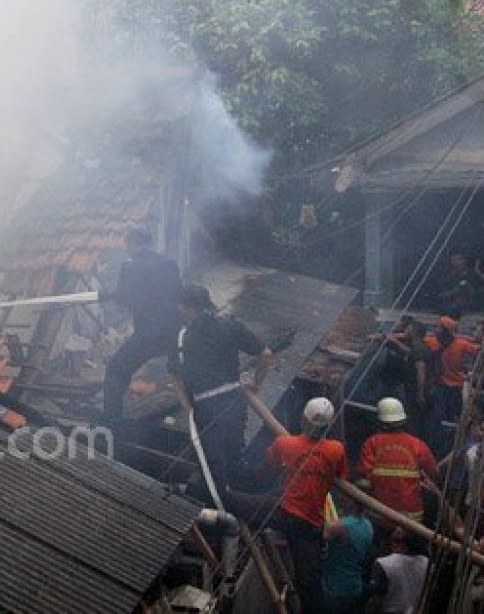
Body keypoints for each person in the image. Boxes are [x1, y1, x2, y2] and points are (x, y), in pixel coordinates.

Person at [168, 284, 272, 490]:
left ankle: (217, 505)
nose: (177, 308)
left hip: (205, 406)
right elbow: (266, 354)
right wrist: (256, 383)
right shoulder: (229, 325)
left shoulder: (181, 337)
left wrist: (188, 410)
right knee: (234, 453)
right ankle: (238, 494)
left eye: (179, 304)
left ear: (188, 308)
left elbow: (175, 376)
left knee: (213, 465)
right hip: (235, 400)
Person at [265, 397, 349, 614]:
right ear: (328, 426)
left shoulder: (285, 443)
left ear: (303, 419)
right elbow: (341, 476)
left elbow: (269, 465)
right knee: (309, 587)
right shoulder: (337, 449)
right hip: (310, 526)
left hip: (284, 513)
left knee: (235, 501)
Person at [99, 227, 182, 429]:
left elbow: (124, 298)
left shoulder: (130, 267)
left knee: (116, 369)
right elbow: (179, 294)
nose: (126, 248)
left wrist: (108, 294)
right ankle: (190, 411)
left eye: (127, 243)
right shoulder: (169, 264)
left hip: (148, 333)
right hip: (174, 330)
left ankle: (111, 421)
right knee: (180, 372)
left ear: (134, 242)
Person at [358, 397, 438, 525]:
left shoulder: (371, 443)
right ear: (403, 420)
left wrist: (359, 511)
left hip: (380, 513)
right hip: (412, 516)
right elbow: (434, 472)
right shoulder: (418, 444)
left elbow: (363, 480)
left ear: (379, 421)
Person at [423, 315, 482, 457]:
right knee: (458, 420)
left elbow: (418, 339)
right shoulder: (461, 344)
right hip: (456, 388)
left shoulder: (432, 341)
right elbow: (479, 350)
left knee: (437, 421)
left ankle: (435, 448)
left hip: (440, 387)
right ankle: (455, 447)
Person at [322, 490, 374, 613]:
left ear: (349, 502)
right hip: (355, 586)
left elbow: (315, 536)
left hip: (335, 589)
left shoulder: (340, 526)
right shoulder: (368, 525)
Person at [366, 527, 430, 614]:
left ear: (405, 543)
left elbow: (375, 600)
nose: (392, 544)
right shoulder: (428, 564)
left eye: (396, 541)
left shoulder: (384, 564)